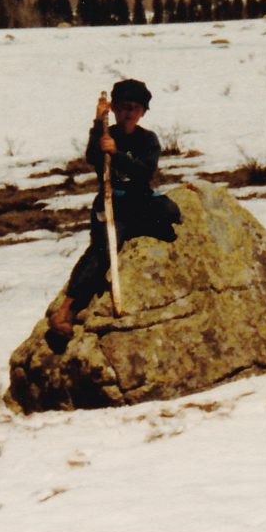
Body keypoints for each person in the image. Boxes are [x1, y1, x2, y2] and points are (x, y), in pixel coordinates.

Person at [47, 79, 181, 340]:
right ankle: (68, 308)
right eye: (121, 108)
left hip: (139, 201)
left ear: (142, 111)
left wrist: (118, 155)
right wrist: (99, 123)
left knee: (171, 213)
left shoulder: (148, 139)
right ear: (115, 111)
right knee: (106, 245)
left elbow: (144, 171)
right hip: (113, 203)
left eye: (133, 108)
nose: (127, 113)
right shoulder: (107, 135)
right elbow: (92, 157)